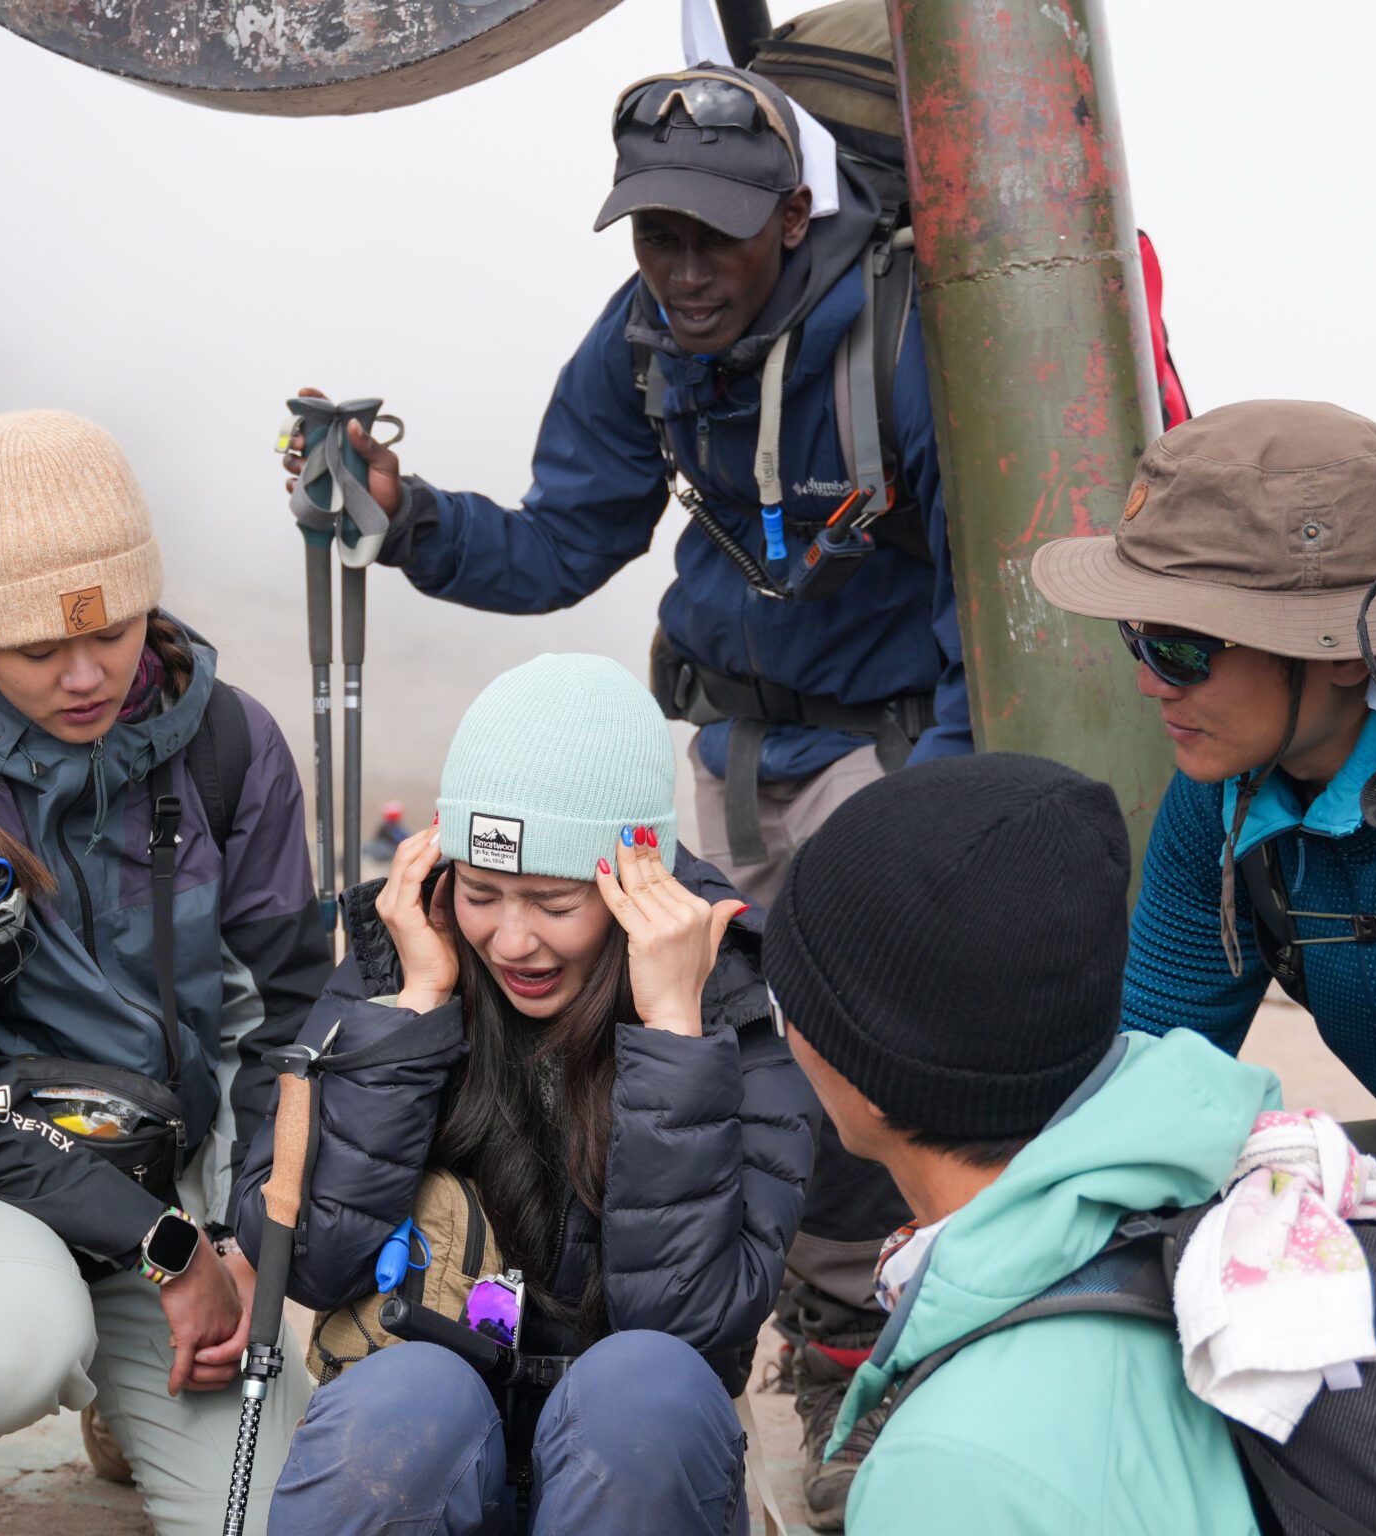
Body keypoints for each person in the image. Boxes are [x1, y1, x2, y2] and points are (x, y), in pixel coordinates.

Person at [282, 65, 966, 1519]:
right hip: (724, 749)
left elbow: (980, 588)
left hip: (890, 749)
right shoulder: (643, 341)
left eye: (717, 234)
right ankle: (719, 1349)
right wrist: (409, 518)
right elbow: (560, 546)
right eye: (657, 234)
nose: (684, 267)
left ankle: (855, 1364)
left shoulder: (903, 340)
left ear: (794, 216)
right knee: (713, 1042)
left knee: (860, 1063)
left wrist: (942, 818)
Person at [0, 409, 329, 1536]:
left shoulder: (232, 747)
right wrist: (168, 1250)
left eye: (114, 631)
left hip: (178, 1196)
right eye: (39, 650)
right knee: (16, 1348)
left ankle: (129, 1393)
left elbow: (289, 1020)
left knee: (271, 1520)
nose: (87, 676)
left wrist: (246, 1237)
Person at [233, 653, 816, 1535]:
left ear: (635, 881)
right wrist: (412, 1014)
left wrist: (672, 1034)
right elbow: (303, 1260)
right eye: (482, 891)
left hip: (632, 1474)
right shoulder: (403, 958)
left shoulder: (733, 1002)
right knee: (403, 1395)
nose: (511, 940)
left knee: (643, 1387)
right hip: (432, 1448)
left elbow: (688, 1323)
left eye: (553, 901)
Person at [760, 751, 1267, 1534]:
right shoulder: (1224, 1201)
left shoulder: (945, 1474)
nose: (787, 1031)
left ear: (871, 1078)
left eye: (789, 1005)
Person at [1031, 399, 1376, 1223]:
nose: (1149, 682)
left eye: (1182, 649)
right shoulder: (1218, 798)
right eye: (1137, 636)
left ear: (1340, 653)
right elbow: (1145, 1081)